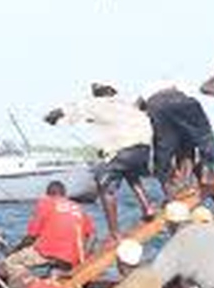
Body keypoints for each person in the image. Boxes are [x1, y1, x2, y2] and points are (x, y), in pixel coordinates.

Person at [44, 82, 156, 240]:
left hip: (123, 149)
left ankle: (114, 233)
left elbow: (70, 109)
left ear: (97, 94)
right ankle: (147, 207)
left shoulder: (95, 104)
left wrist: (52, 117)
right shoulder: (126, 104)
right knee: (130, 172)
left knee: (105, 187)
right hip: (143, 149)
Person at [137, 82, 214, 217]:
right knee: (201, 137)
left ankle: (170, 194)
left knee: (163, 153)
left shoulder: (149, 94)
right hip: (186, 104)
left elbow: (139, 106)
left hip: (158, 107)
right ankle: (205, 172)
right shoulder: (177, 88)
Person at [2, 181, 95, 288]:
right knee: (50, 265)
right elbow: (93, 236)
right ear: (65, 194)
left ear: (48, 194)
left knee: (12, 262)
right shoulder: (78, 208)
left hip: (50, 254)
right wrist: (83, 257)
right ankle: (51, 281)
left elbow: (31, 237)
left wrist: (15, 250)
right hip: (72, 258)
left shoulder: (45, 203)